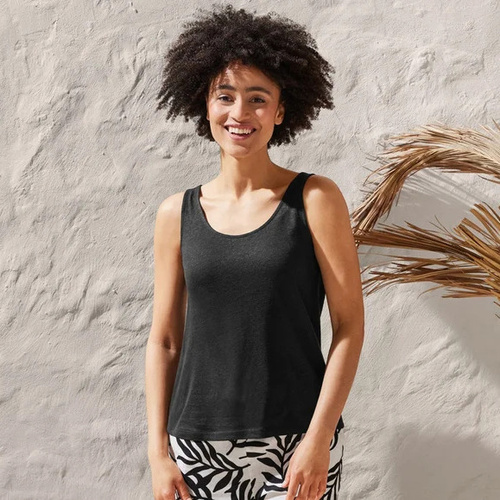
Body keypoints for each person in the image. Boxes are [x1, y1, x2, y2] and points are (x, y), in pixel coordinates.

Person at [145, 4, 365, 500]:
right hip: (196, 447)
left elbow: (349, 326)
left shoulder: (315, 199)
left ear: (281, 111)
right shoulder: (175, 214)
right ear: (205, 105)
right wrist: (158, 453)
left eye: (258, 99)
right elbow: (165, 342)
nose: (240, 114)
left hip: (297, 445)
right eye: (225, 96)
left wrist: (319, 439)